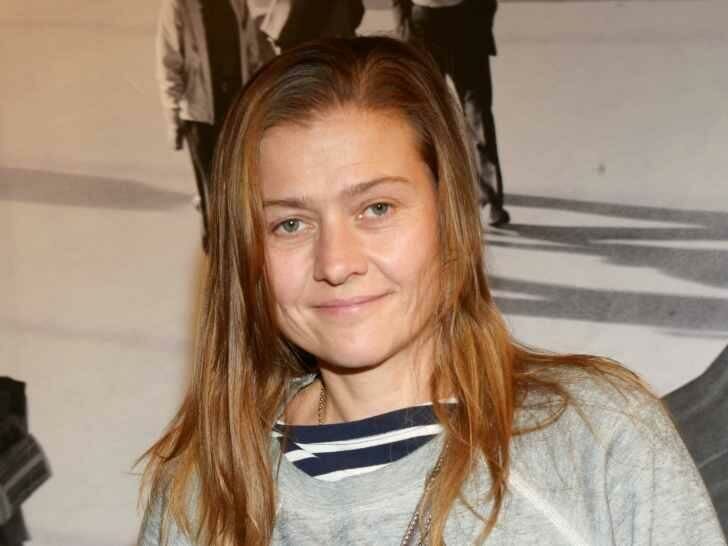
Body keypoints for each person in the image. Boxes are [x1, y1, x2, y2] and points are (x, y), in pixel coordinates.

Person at [137, 37, 725, 545]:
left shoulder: (596, 437)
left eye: (377, 208)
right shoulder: (199, 491)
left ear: (449, 217)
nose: (336, 262)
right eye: (290, 224)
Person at [156, 0, 275, 252]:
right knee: (211, 189)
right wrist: (173, 113)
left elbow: (252, 53)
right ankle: (216, 249)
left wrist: (258, 102)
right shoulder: (178, 6)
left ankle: (236, 248)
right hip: (200, 115)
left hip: (235, 108)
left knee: (238, 182)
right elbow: (169, 61)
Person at [394, 0, 510, 227]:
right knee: (427, 116)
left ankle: (489, 200)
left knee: (476, 113)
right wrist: (404, 28)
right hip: (425, 25)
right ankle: (429, 199)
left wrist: (482, 20)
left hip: (463, 20)